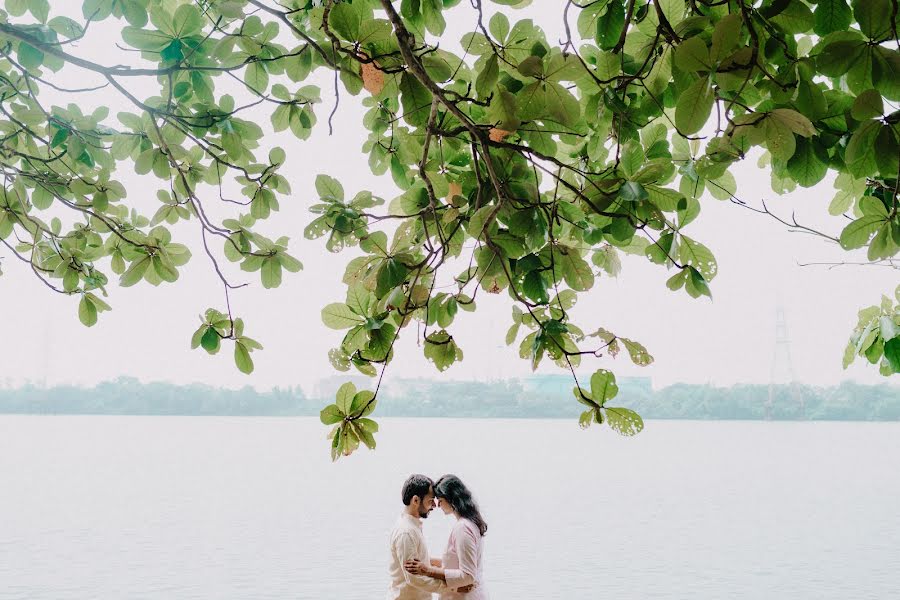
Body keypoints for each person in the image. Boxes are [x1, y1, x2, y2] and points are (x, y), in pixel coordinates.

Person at [387, 474, 474, 600]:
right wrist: (454, 587)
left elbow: (422, 561)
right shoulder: (406, 532)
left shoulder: (412, 526)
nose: (434, 505)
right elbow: (414, 578)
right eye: (430, 500)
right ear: (415, 500)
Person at [404, 475, 489, 599]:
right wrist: (426, 560)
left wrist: (428, 571)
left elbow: (468, 575)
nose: (437, 505)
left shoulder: (463, 528)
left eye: (440, 500)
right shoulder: (470, 523)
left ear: (451, 499)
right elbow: (456, 563)